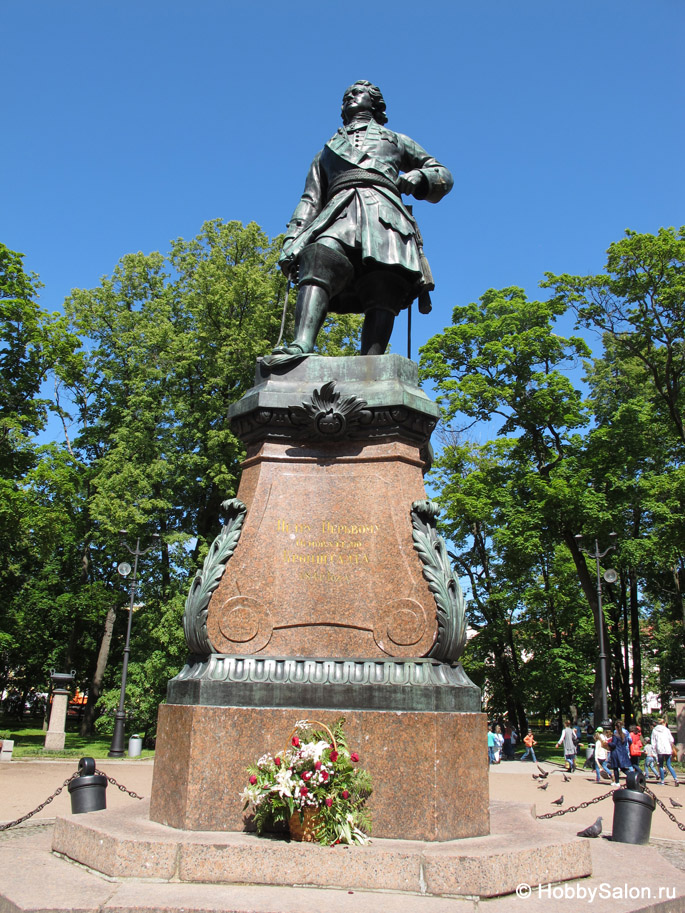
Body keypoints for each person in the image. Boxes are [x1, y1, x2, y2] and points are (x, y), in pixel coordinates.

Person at [268, 80, 453, 363]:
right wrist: (292, 238)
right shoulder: (326, 152)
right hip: (337, 212)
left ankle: (372, 362)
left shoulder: (396, 140)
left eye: (357, 93)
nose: (349, 98)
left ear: (375, 101)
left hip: (384, 213)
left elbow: (441, 173)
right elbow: (310, 199)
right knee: (319, 255)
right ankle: (301, 345)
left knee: (385, 282)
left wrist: (420, 177)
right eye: (345, 95)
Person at [651, 717, 680, 786]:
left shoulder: (654, 730)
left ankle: (662, 781)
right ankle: (676, 779)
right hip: (667, 749)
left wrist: (654, 750)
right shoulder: (666, 730)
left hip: (660, 750)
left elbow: (653, 742)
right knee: (669, 765)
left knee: (660, 765)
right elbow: (671, 740)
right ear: (663, 723)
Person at [606, 720, 632, 785]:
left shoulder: (615, 735)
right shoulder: (624, 735)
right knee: (623, 768)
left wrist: (608, 743)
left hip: (616, 752)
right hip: (623, 752)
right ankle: (631, 775)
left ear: (616, 727)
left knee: (615, 767)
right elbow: (627, 742)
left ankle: (617, 782)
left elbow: (614, 744)